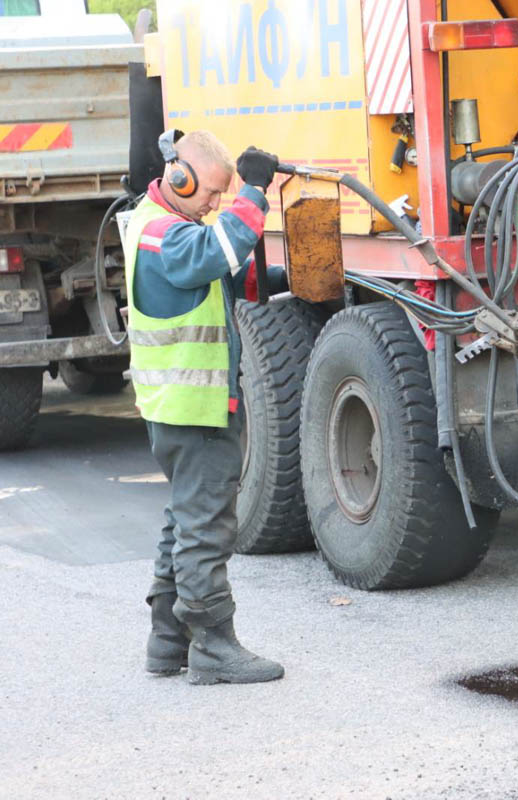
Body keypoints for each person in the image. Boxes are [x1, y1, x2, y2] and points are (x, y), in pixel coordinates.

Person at [121, 130, 286, 685]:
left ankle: (167, 641)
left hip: (177, 407)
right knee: (206, 527)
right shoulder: (163, 234)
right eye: (211, 193)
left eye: (223, 196)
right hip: (194, 409)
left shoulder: (164, 225)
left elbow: (213, 274)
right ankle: (214, 645)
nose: (216, 204)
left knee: (183, 520)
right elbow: (215, 251)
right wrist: (255, 191)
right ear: (179, 175)